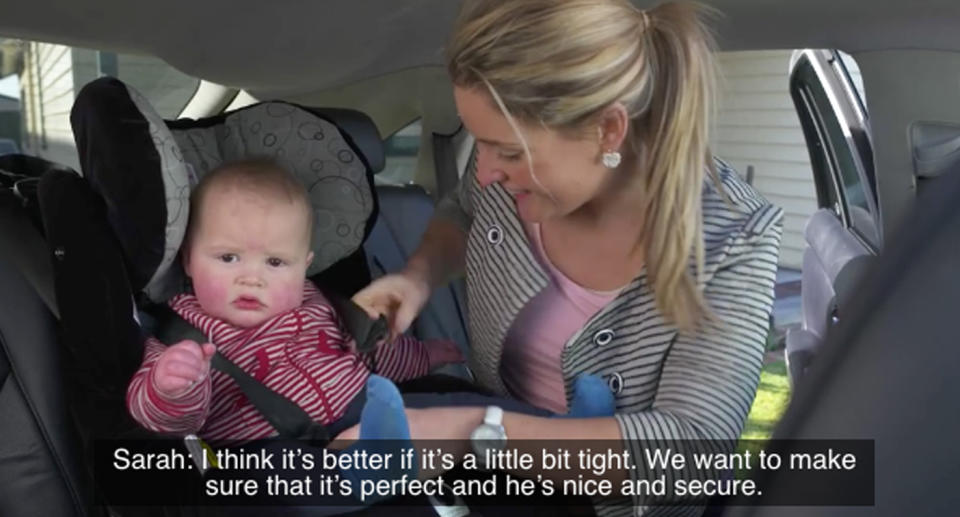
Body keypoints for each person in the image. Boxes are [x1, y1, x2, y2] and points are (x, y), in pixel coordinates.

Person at [348, 0, 784, 514]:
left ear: (608, 130)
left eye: (508, 152)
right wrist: (419, 277)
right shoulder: (506, 181)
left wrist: (476, 431)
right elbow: (462, 210)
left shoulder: (736, 237)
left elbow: (691, 451)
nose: (485, 172)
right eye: (481, 146)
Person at [125, 157, 613, 453]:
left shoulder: (316, 304)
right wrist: (175, 386)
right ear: (188, 258)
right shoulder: (184, 337)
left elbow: (368, 354)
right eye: (228, 257)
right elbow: (162, 417)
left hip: (369, 409)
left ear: (305, 265)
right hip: (275, 447)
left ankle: (567, 429)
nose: (252, 275)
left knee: (472, 406)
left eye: (276, 262)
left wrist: (428, 356)